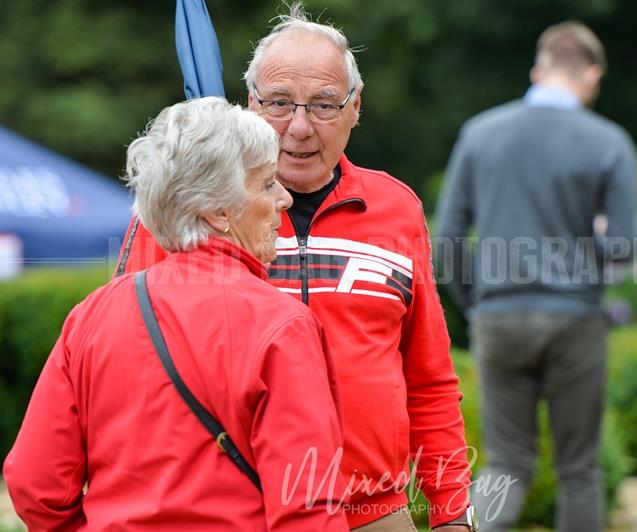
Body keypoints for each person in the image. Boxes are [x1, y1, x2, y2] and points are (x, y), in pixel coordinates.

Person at [113, 4, 473, 531]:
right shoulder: (184, 213)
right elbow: (122, 366)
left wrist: (451, 514)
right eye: (278, 103)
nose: (299, 128)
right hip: (228, 512)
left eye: (324, 104)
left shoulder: (397, 209)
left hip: (372, 512)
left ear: (356, 106)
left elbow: (429, 380)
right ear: (249, 103)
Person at [3, 97, 349, 531]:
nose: (283, 197)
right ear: (218, 212)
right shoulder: (282, 326)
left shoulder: (92, 316)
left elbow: (37, 488)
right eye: (265, 184)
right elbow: (309, 510)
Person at [435, 21, 637, 532]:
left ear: (538, 70)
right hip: (574, 319)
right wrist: (593, 233)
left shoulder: (480, 133)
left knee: (506, 463)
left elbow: (447, 241)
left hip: (499, 317)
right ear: (591, 74)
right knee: (579, 469)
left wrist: (478, 303)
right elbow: (623, 246)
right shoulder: (608, 141)